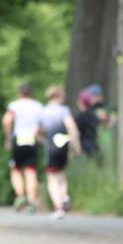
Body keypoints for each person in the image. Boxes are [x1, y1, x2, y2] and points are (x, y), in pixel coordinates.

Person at [39, 86, 82, 219]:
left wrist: (44, 141)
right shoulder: (64, 110)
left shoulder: (44, 111)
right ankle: (64, 198)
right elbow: (71, 127)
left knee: (52, 177)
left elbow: (37, 131)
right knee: (61, 173)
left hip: (51, 146)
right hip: (63, 145)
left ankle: (58, 207)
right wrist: (76, 145)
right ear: (58, 96)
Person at [2, 83, 43, 213]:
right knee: (31, 171)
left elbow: (6, 121)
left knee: (15, 169)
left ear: (20, 93)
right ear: (31, 93)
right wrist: (38, 135)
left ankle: (20, 196)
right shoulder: (38, 106)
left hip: (18, 140)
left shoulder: (14, 105)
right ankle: (32, 201)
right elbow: (41, 124)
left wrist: (8, 138)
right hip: (32, 140)